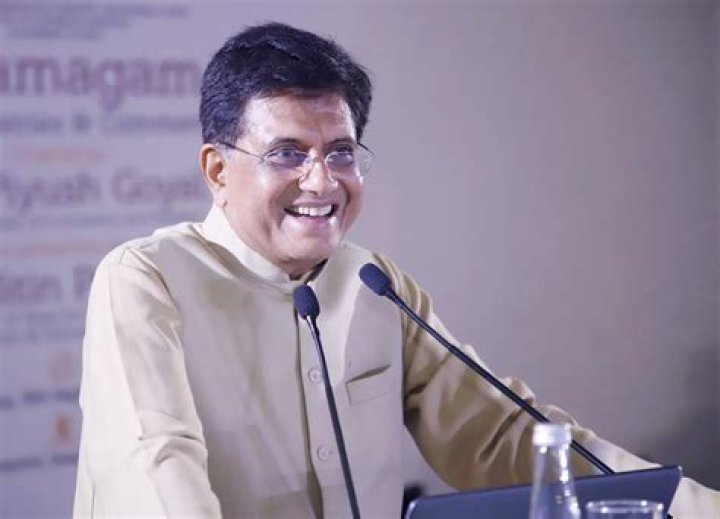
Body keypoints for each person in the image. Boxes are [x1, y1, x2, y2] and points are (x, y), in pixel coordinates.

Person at [73, 22, 719, 518]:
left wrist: (694, 508)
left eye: (340, 152)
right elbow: (156, 469)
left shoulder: (371, 283)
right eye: (288, 153)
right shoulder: (145, 280)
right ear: (217, 170)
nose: (321, 181)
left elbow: (504, 434)